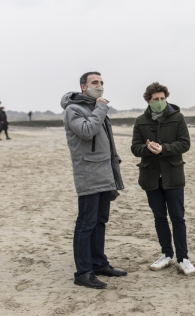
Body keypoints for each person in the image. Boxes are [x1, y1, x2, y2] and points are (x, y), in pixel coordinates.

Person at [61, 71, 126, 289]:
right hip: (88, 173)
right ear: (83, 87)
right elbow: (87, 131)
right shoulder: (73, 110)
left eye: (101, 82)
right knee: (86, 223)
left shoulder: (94, 108)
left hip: (105, 172)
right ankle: (83, 272)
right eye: (94, 83)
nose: (99, 86)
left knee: (100, 221)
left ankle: (98, 263)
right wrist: (101, 107)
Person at [131, 82, 195, 275]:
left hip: (173, 176)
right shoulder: (140, 121)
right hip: (151, 177)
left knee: (177, 218)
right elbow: (135, 148)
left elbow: (185, 144)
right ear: (148, 101)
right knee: (159, 217)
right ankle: (166, 254)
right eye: (155, 99)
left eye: (162, 98)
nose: (160, 102)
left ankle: (183, 258)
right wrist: (147, 148)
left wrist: (164, 149)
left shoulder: (178, 118)